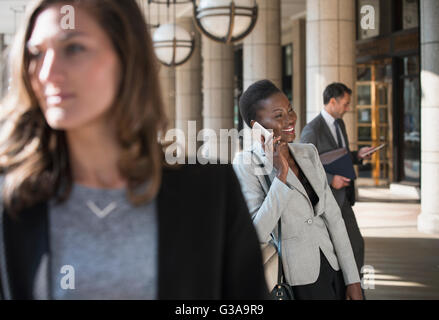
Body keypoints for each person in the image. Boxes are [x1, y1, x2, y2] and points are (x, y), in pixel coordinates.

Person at [0, 0, 268, 300]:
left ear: (127, 58)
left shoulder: (211, 193)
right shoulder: (12, 201)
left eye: (73, 48)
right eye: (35, 53)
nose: (48, 71)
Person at [233, 79, 363, 300]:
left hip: (333, 267)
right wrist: (280, 176)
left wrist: (353, 279)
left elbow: (334, 219)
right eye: (278, 115)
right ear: (257, 126)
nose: (290, 119)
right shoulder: (246, 163)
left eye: (290, 110)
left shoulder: (308, 152)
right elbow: (257, 233)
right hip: (296, 280)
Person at [300, 83, 374, 277]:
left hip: (343, 197)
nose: (348, 108)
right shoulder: (312, 130)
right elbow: (304, 165)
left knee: (354, 245)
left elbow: (338, 156)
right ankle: (354, 289)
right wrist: (332, 179)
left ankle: (353, 288)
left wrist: (358, 155)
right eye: (345, 103)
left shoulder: (339, 124)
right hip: (326, 200)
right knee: (351, 245)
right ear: (332, 102)